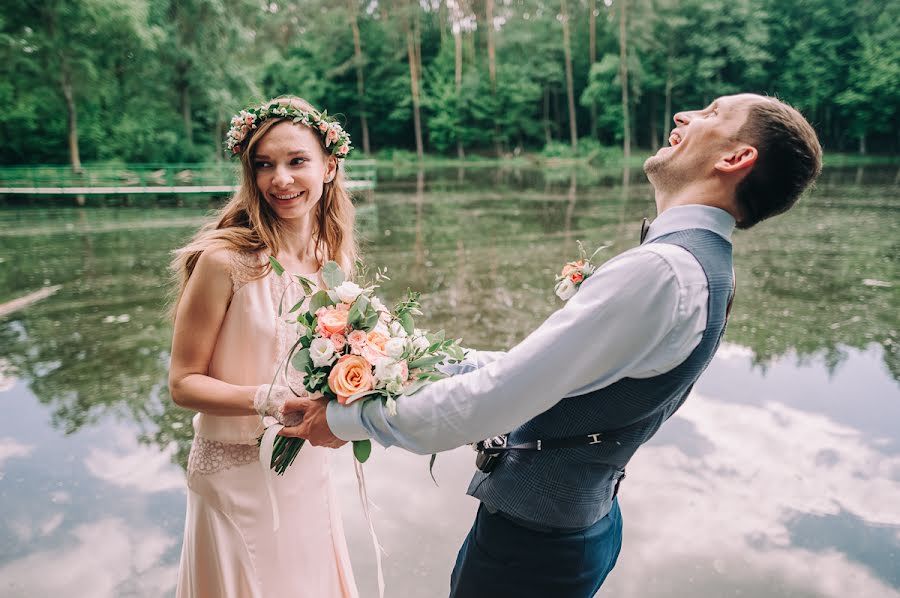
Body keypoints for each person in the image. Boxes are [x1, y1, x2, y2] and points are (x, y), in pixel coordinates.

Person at [283, 93, 822, 596]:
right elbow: (542, 372)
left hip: (530, 552)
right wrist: (408, 358)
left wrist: (346, 422)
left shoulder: (662, 271)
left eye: (711, 114)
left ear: (736, 158)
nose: (685, 116)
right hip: (573, 526)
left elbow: (494, 400)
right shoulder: (702, 265)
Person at [168, 97, 358, 598]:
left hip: (305, 469)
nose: (280, 179)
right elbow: (183, 383)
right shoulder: (223, 261)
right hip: (234, 478)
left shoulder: (330, 264)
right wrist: (269, 400)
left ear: (329, 166)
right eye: (263, 165)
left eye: (297, 161)